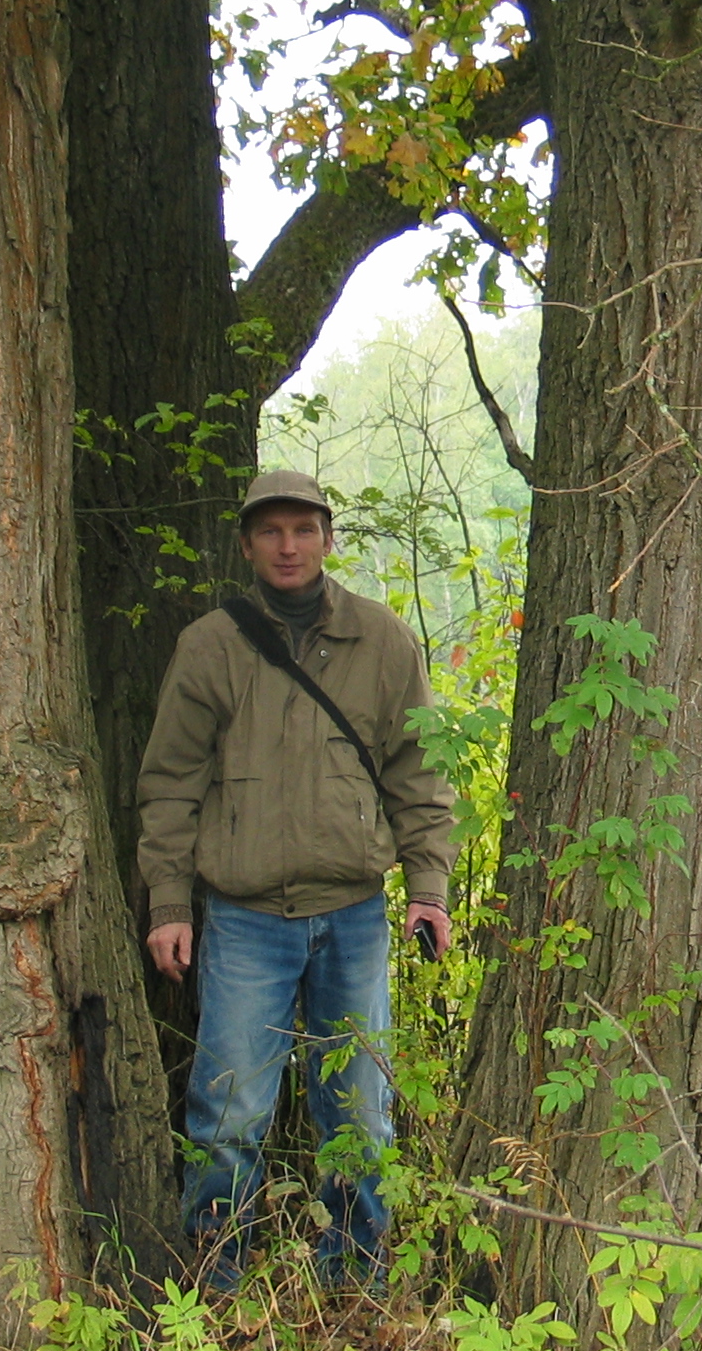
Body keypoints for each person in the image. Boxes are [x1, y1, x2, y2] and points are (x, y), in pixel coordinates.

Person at [135, 469, 458, 1287]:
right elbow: (170, 782)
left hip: (352, 914)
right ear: (246, 544)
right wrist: (170, 903)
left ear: (328, 538)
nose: (288, 546)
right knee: (228, 1113)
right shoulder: (210, 644)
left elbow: (418, 773)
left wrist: (429, 889)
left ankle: (353, 1278)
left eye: (303, 529)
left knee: (358, 1115)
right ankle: (219, 1280)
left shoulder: (382, 640)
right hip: (243, 919)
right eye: (271, 531)